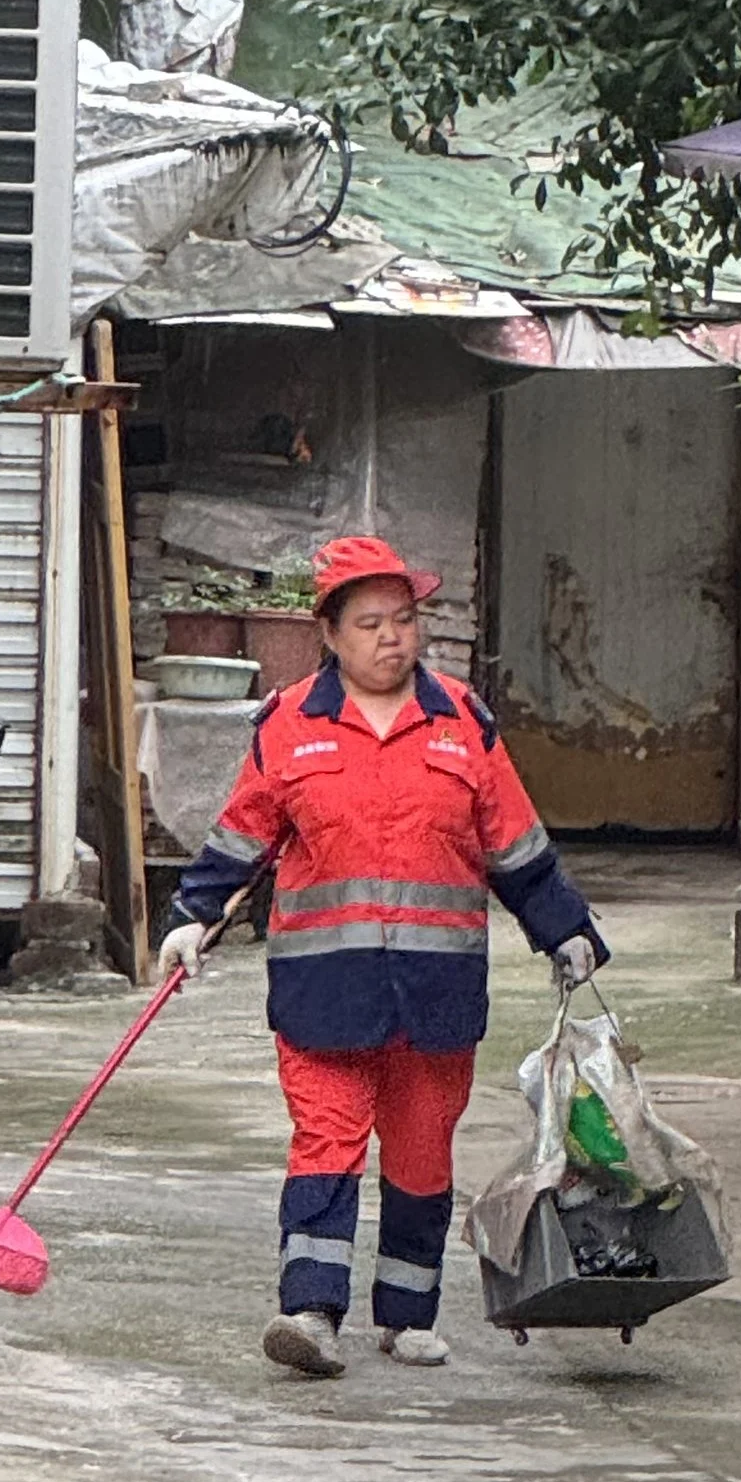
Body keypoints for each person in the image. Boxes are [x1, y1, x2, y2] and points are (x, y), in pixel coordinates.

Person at [158, 533, 604, 1380]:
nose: (391, 637)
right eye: (369, 622)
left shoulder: (462, 722)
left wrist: (565, 929)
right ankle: (311, 1312)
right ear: (330, 631)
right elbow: (241, 836)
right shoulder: (290, 727)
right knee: (325, 1140)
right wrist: (191, 916)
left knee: (422, 1152)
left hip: (434, 993)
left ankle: (407, 1316)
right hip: (324, 992)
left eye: (403, 619)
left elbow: (514, 841)